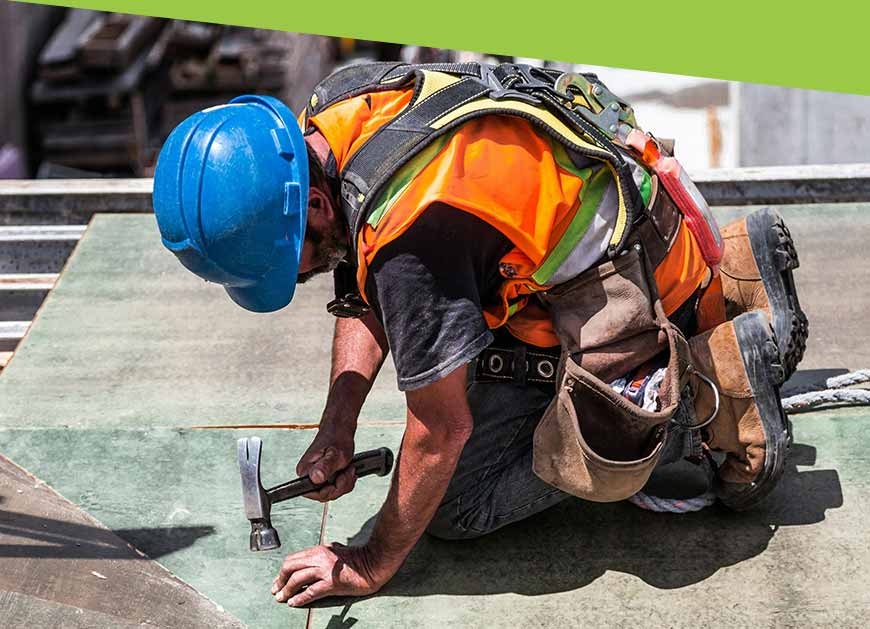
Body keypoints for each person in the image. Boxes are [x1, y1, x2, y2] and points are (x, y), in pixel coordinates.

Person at [152, 62, 807, 607]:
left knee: (459, 503)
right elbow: (361, 282)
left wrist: (370, 561)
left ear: (315, 205)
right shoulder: (340, 109)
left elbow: (440, 431)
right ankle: (736, 278)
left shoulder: (414, 238)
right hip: (632, 228)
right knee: (450, 359)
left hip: (630, 291)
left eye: (284, 264)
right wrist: (337, 425)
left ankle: (709, 389)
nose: (292, 281)